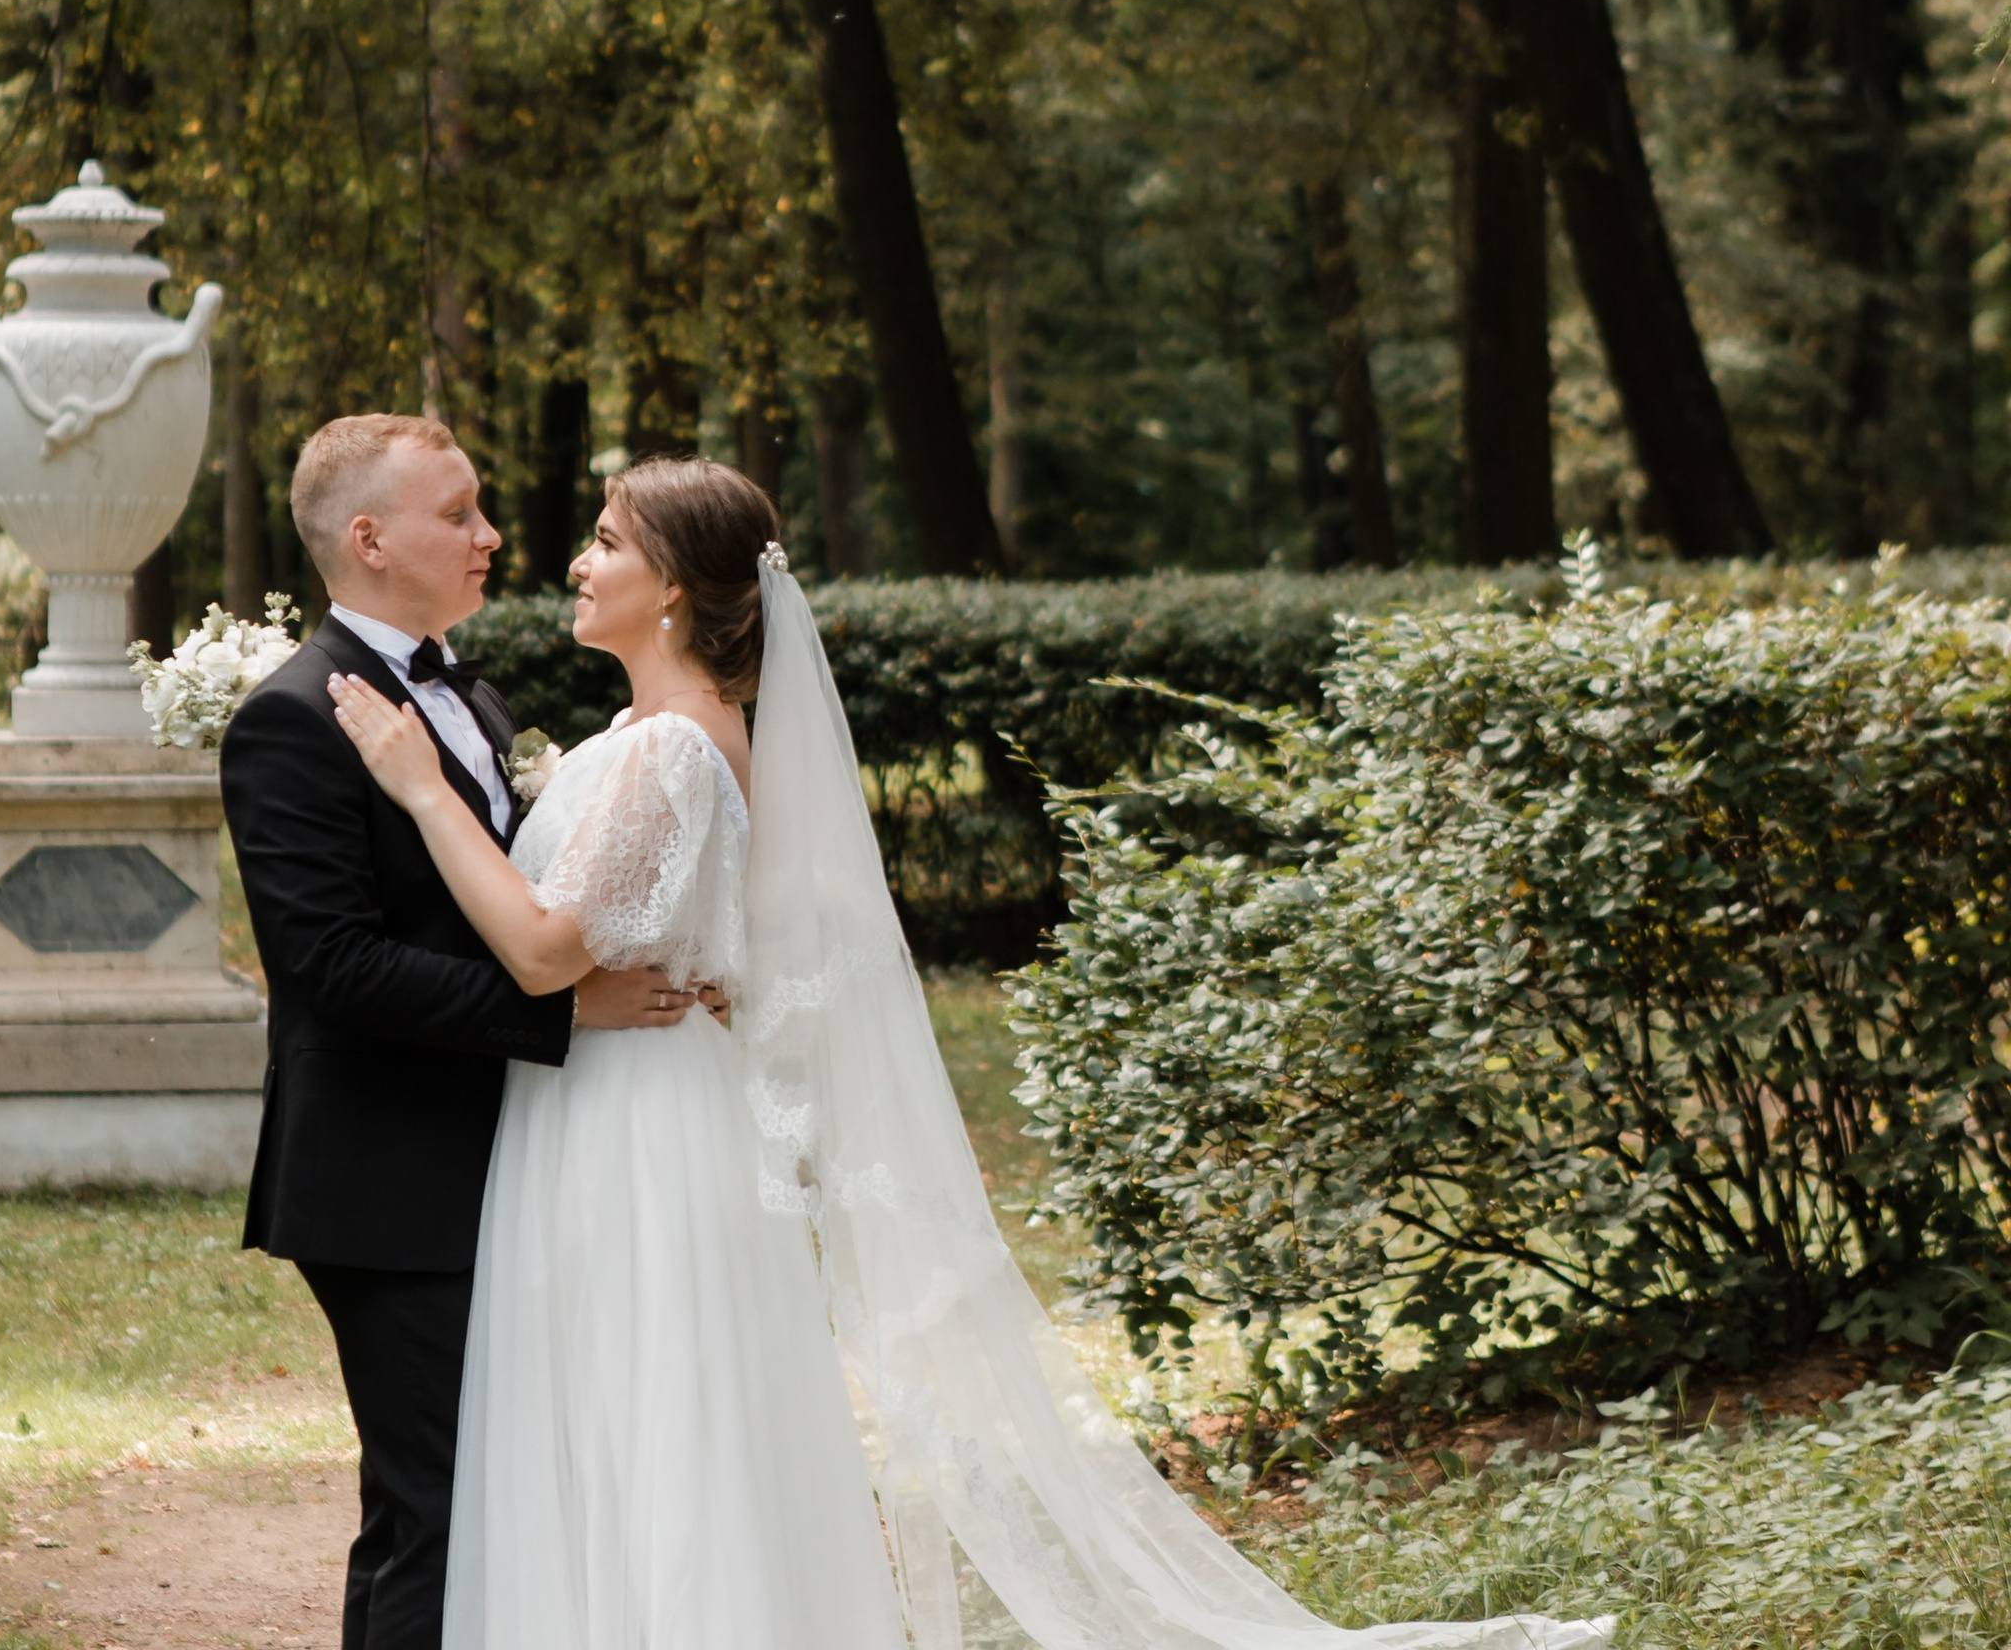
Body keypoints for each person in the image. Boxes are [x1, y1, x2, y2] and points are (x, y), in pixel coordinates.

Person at [328, 453, 1612, 1650]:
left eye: (605, 541)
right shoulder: (659, 737)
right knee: (640, 1423)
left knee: (657, 1423)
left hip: (635, 1132)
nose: (575, 561)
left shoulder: (669, 745)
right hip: (611, 1106)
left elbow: (549, 951)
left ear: (669, 586)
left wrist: (421, 787)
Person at [217, 415, 704, 1650]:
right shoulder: (290, 720)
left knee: (474, 1502)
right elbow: (331, 967)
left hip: (494, 1160)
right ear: (370, 539)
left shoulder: (469, 695)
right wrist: (558, 1008)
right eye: (459, 513)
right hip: (387, 1175)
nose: (490, 536)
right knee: (438, 1512)